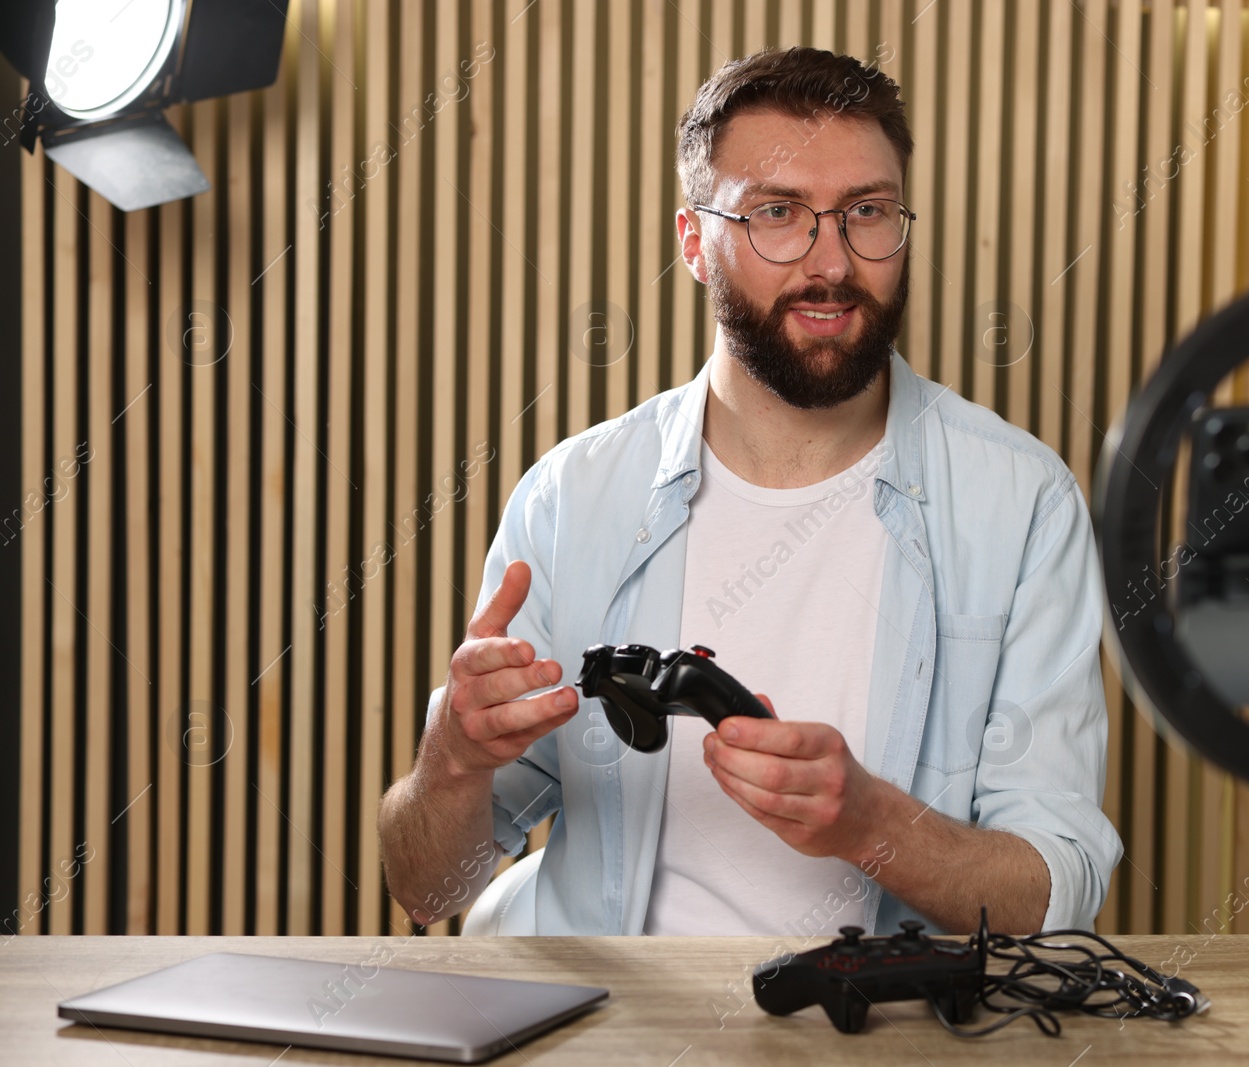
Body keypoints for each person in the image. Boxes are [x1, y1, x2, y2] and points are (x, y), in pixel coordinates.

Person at [378, 46, 1121, 938]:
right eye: (778, 213)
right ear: (694, 242)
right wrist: (453, 761)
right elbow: (429, 889)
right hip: (610, 1029)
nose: (832, 262)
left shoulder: (1023, 503)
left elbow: (1057, 887)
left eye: (867, 212)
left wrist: (875, 827)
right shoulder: (573, 499)